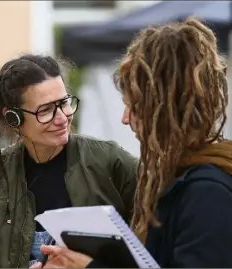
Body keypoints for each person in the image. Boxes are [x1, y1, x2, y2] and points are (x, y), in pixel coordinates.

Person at [32, 18, 232, 268]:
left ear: (165, 108)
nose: (125, 119)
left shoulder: (207, 192)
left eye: (133, 106)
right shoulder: (177, 181)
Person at [0, 54, 138, 268]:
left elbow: (162, 241)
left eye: (64, 103)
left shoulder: (109, 161)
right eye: (46, 110)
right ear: (13, 118)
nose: (62, 118)